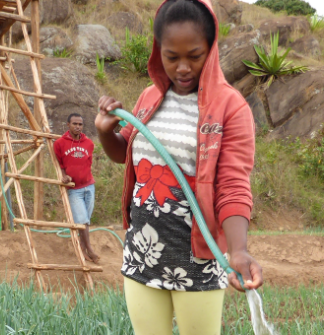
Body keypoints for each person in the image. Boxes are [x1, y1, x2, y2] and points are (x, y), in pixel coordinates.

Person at [94, 0, 263, 334]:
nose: (183, 67)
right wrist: (104, 131)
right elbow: (125, 155)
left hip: (198, 261)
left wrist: (239, 250)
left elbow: (232, 184)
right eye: (172, 57)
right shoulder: (148, 98)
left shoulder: (230, 107)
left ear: (211, 49)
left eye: (194, 56)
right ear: (159, 51)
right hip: (142, 252)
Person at [53, 113, 100, 263]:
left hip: (89, 186)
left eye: (80, 124)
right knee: (81, 221)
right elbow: (59, 165)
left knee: (85, 221)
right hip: (74, 189)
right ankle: (90, 250)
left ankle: (82, 250)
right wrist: (63, 176)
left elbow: (88, 163)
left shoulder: (89, 144)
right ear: (68, 125)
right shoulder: (60, 143)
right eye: (74, 124)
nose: (77, 127)